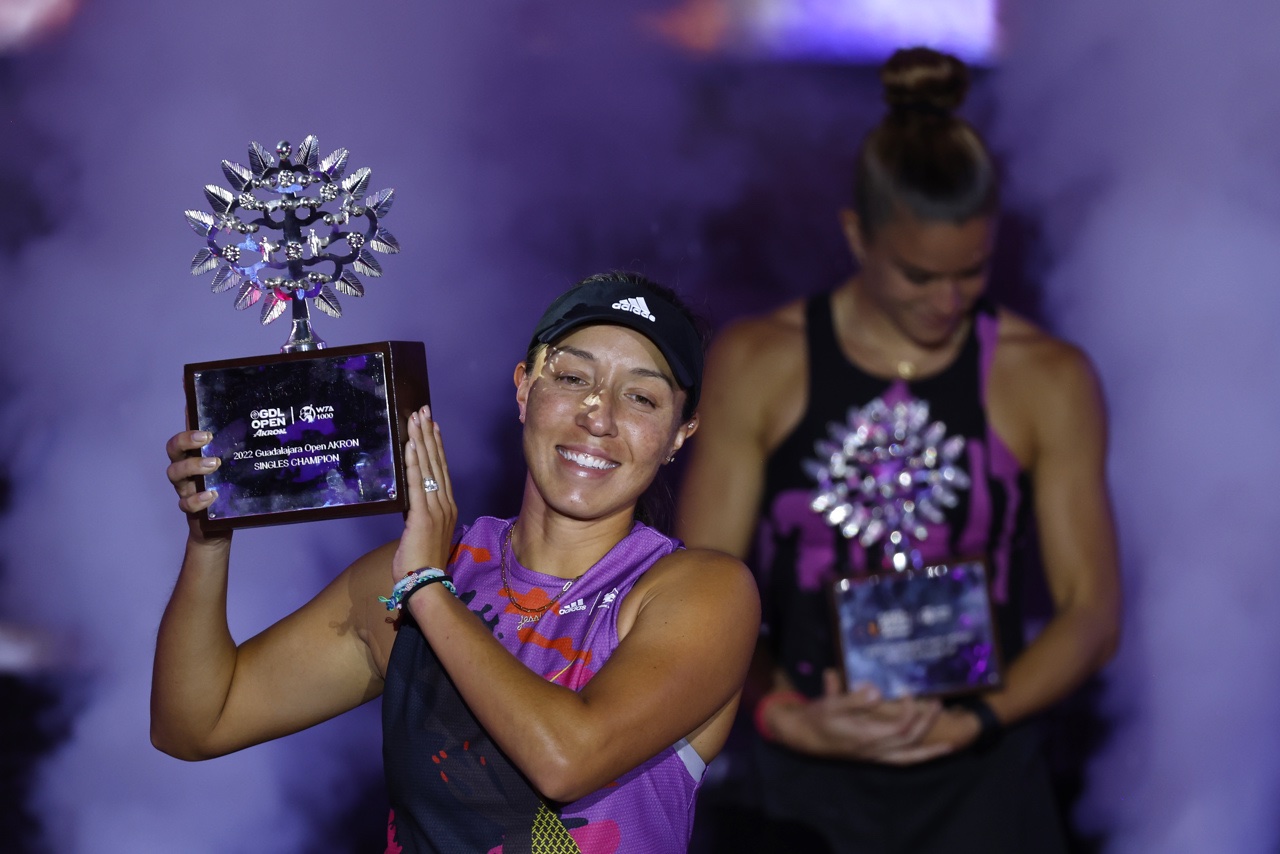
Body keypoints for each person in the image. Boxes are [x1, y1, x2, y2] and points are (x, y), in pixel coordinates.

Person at [675, 47, 1121, 853]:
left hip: (984, 780)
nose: (947, 302)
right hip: (800, 782)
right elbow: (700, 588)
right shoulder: (761, 362)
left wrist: (974, 719)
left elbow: (1092, 612)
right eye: (919, 275)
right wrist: (786, 715)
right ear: (856, 237)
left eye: (972, 273)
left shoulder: (1048, 378)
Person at [151, 272, 760, 853]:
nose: (598, 417)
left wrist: (426, 587)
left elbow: (567, 759)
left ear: (681, 434)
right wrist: (212, 531)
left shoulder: (699, 593)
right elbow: (196, 723)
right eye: (573, 378)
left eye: (641, 397)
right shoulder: (419, 571)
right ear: (525, 388)